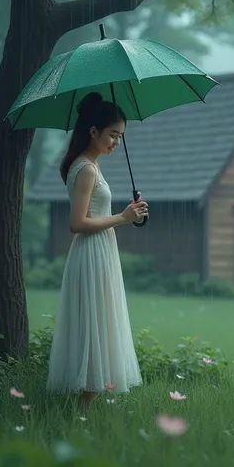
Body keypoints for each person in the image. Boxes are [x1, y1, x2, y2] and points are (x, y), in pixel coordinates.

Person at [47, 92, 147, 410]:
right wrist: (123, 217)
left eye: (120, 137)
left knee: (97, 324)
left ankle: (85, 406)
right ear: (94, 132)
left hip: (98, 251)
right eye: (113, 135)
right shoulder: (87, 169)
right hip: (91, 253)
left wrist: (126, 213)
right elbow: (77, 223)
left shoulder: (88, 165)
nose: (116, 142)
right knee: (95, 324)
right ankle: (83, 410)